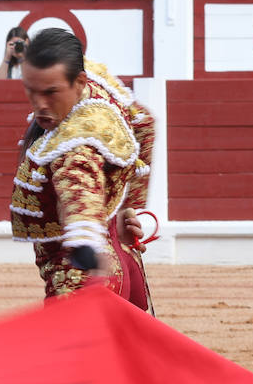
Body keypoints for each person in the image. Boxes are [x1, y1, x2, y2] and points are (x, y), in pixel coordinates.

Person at [10, 27, 155, 309]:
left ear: (79, 82)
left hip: (83, 277)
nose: (39, 104)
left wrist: (85, 249)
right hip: (123, 259)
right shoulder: (93, 82)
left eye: (51, 93)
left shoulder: (75, 143)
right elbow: (144, 124)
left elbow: (78, 196)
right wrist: (129, 208)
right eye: (31, 90)